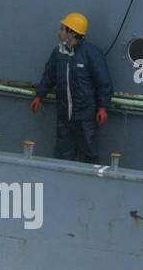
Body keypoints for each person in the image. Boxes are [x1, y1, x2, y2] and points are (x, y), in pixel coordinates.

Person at [29, 12, 113, 163]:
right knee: (62, 156)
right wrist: (39, 95)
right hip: (64, 117)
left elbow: (104, 83)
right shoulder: (58, 53)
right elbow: (49, 75)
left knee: (89, 156)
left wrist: (103, 108)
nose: (59, 32)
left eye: (62, 29)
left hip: (85, 118)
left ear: (71, 33)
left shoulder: (92, 54)